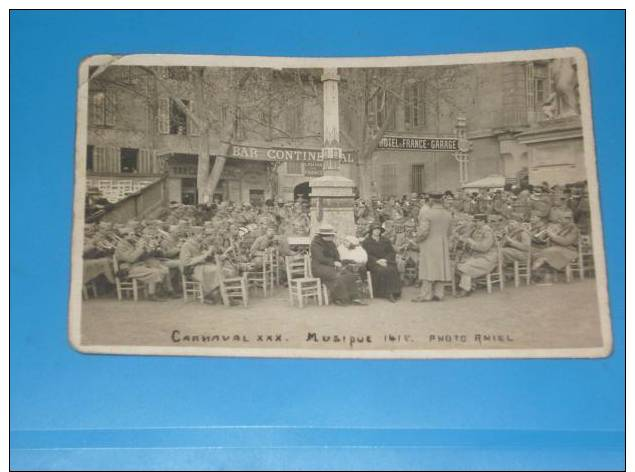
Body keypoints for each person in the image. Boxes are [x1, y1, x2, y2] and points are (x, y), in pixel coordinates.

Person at [310, 225, 366, 306]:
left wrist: (337, 261)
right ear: (325, 236)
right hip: (319, 268)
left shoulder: (331, 243)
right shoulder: (315, 244)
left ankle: (354, 297)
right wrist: (333, 263)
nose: (333, 236)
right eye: (332, 235)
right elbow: (320, 258)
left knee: (349, 274)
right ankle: (341, 298)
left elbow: (336, 255)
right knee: (337, 276)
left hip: (332, 266)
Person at [412, 193, 453, 302]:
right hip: (443, 244)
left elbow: (423, 232)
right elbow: (450, 232)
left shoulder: (427, 214)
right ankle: (439, 294)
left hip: (429, 244)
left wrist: (416, 240)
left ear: (431, 200)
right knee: (440, 267)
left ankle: (426, 295)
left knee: (427, 268)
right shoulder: (448, 214)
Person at [455, 214, 498, 297]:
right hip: (478, 256)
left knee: (466, 266)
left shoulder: (488, 232)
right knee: (458, 265)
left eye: (477, 221)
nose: (475, 223)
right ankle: (471, 285)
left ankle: (465, 289)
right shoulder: (476, 230)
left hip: (487, 258)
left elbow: (484, 248)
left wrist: (470, 242)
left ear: (483, 221)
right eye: (475, 221)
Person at [362, 223, 402, 303]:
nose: (377, 231)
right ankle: (386, 293)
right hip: (373, 263)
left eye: (378, 230)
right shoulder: (366, 242)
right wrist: (377, 261)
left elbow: (391, 252)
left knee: (392, 269)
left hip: (386, 260)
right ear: (371, 231)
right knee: (382, 271)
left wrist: (385, 260)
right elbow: (365, 254)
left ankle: (395, 292)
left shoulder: (385, 240)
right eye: (375, 230)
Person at [179, 230, 222, 303]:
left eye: (203, 235)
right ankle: (209, 294)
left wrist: (213, 253)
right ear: (194, 235)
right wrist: (204, 256)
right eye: (201, 234)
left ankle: (217, 293)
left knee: (219, 269)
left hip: (201, 266)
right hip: (191, 269)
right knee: (214, 270)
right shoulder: (186, 245)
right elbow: (186, 262)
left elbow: (207, 257)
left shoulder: (201, 244)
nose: (203, 236)